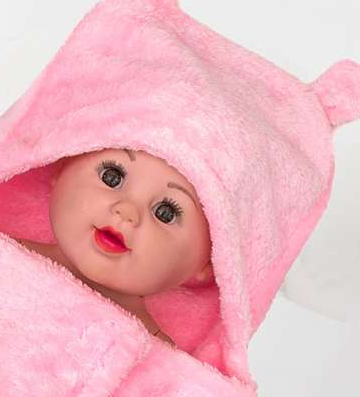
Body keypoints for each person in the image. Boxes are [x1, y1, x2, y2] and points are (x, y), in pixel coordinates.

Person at [14, 147, 215, 346]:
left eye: (165, 213)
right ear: (62, 166)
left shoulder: (155, 354)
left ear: (213, 260)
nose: (127, 211)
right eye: (112, 177)